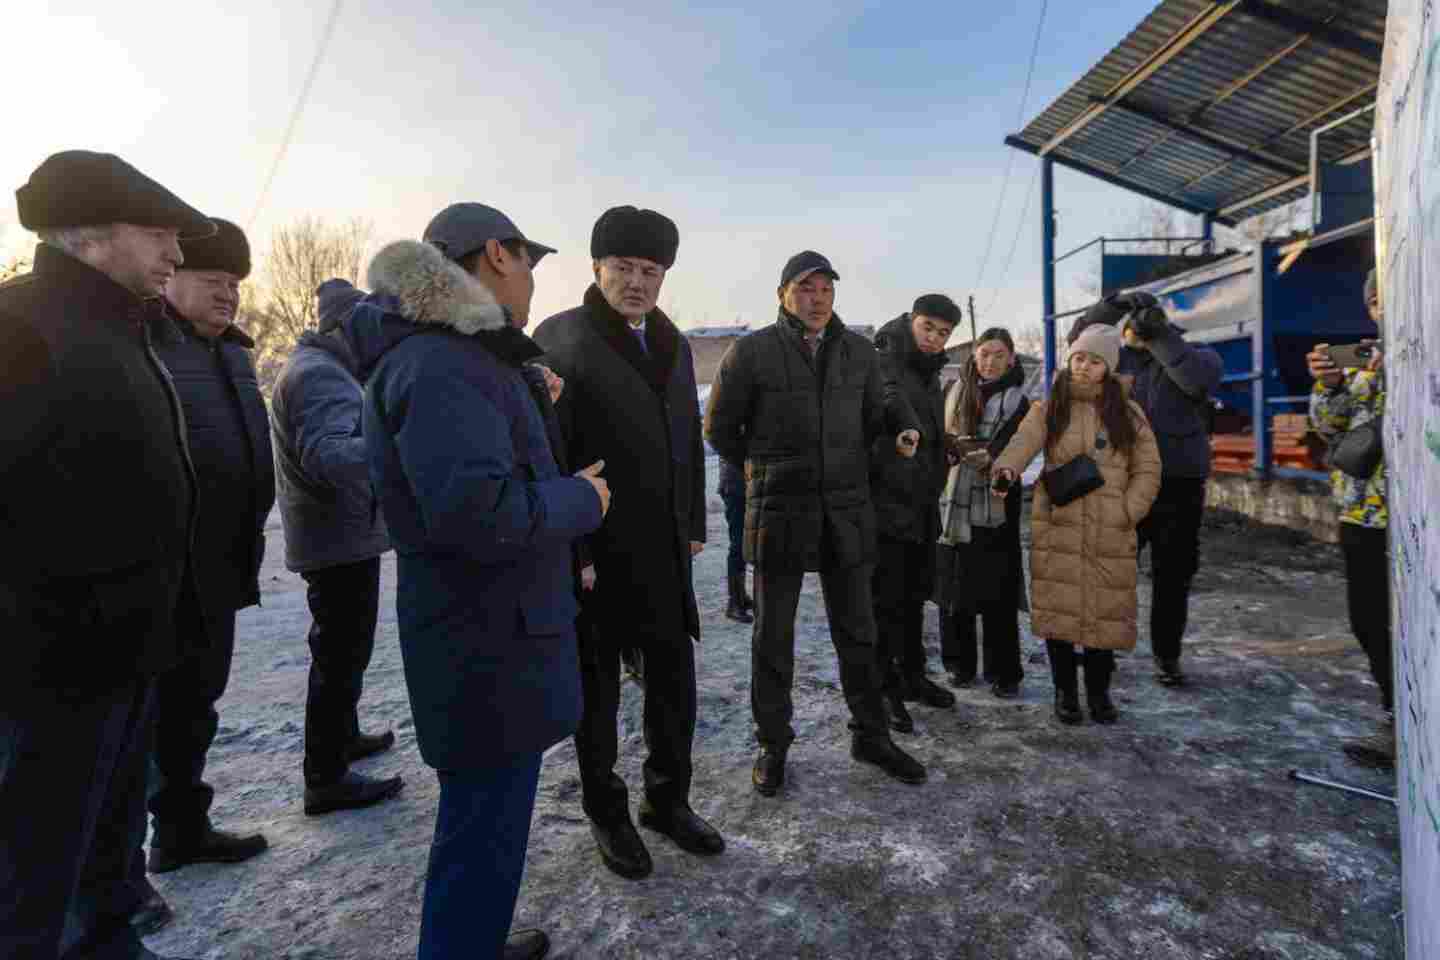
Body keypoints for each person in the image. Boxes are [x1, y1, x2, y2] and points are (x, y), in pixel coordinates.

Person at [365, 209, 605, 960]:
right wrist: (582, 500)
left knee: (489, 831)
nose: (534, 281)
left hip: (493, 642)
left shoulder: (467, 361)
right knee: (479, 833)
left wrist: (532, 402)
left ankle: (474, 943)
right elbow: (479, 514)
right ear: (498, 256)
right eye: (529, 262)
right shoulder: (443, 365)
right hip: (485, 650)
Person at [1, 150, 213, 960]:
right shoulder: (18, 326)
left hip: (128, 657)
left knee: (102, 861)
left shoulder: (124, 330)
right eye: (160, 232)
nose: (178, 254)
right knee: (30, 879)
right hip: (47, 671)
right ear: (92, 234)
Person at [533, 206, 722, 881]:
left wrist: (694, 521)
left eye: (651, 271)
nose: (637, 282)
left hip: (665, 545)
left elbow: (688, 441)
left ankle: (667, 800)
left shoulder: (671, 342)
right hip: (596, 547)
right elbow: (544, 451)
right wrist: (568, 545)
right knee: (599, 691)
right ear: (596, 268)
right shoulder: (560, 338)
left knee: (674, 680)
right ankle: (606, 810)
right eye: (624, 268)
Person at [705, 250, 928, 797]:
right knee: (773, 637)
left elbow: (882, 406)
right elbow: (718, 429)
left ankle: (870, 733)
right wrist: (764, 466)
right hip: (780, 509)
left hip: (847, 510)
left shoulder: (857, 351)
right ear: (784, 293)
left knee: (858, 629)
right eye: (806, 289)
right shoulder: (751, 351)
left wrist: (901, 427)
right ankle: (772, 743)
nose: (817, 298)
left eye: (825, 289)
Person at [127, 219, 274, 933]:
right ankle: (113, 882)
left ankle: (182, 829)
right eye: (212, 279)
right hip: (159, 573)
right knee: (136, 727)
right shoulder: (148, 344)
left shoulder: (234, 356)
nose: (227, 294)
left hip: (217, 566)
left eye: (236, 284)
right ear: (175, 275)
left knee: (194, 710)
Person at [270, 279, 404, 817]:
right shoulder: (320, 375)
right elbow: (329, 456)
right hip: (336, 540)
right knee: (339, 655)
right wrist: (395, 443)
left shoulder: (322, 368)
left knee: (346, 650)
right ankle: (324, 776)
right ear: (348, 326)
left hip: (338, 534)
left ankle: (343, 738)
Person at [992, 324, 1161, 725]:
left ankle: (1100, 694)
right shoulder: (1051, 407)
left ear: (1109, 368)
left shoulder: (1128, 414)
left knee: (1104, 615)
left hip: (1110, 531)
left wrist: (1128, 511)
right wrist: (1006, 469)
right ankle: (1065, 693)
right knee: (1061, 615)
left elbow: (1149, 469)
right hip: (1059, 527)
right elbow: (1021, 443)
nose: (1084, 367)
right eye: (1079, 358)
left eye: (1095, 361)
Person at [1067, 290, 1221, 687]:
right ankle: (1102, 650)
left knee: (1173, 574)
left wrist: (1160, 336)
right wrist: (1113, 305)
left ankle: (1167, 656)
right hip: (1121, 480)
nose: (1137, 326)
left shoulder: (1198, 354)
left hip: (1178, 483)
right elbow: (1080, 339)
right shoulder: (1111, 359)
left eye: (1145, 321)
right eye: (1133, 323)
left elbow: (1195, 381)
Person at [1306, 269, 1392, 769]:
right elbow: (1329, 427)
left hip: (1419, 511)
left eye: (1389, 295)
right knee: (1369, 619)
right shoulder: (1363, 361)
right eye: (1375, 299)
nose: (1381, 306)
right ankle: (1396, 713)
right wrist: (1328, 385)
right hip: (1363, 510)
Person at [869, 295, 960, 733]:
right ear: (910, 320)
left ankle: (912, 677)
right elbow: (887, 397)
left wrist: (947, 446)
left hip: (920, 501)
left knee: (913, 597)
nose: (934, 338)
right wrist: (903, 425)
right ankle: (883, 690)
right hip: (886, 503)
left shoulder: (928, 371)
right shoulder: (886, 353)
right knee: (885, 602)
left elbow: (926, 428)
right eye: (928, 328)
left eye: (943, 333)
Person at [934, 327, 1033, 699]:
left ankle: (1003, 671)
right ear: (974, 357)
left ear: (1010, 358)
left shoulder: (1019, 401)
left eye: (997, 354)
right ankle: (958, 665)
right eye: (983, 353)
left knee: (998, 592)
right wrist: (952, 450)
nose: (989, 361)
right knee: (953, 588)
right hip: (951, 504)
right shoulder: (953, 391)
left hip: (996, 503)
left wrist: (981, 454)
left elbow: (1014, 446)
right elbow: (940, 437)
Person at [719, 455, 754, 623]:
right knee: (738, 544)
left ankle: (741, 596)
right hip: (736, 484)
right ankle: (734, 603)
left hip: (745, 482)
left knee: (746, 543)